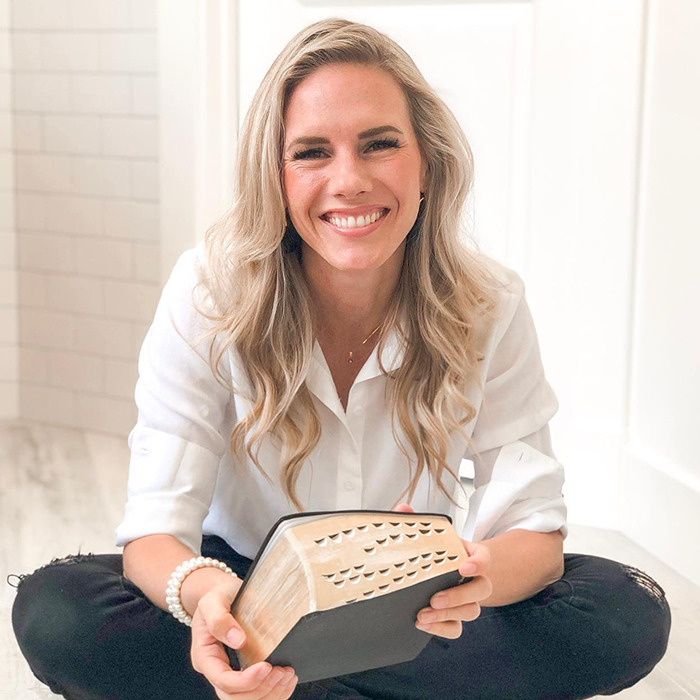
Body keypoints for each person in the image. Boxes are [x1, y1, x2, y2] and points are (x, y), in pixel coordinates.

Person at [11, 18, 670, 700]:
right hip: (248, 589)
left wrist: (476, 573)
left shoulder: (488, 303)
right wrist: (214, 605)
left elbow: (535, 528)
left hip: (415, 603)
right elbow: (154, 533)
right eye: (312, 152)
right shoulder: (209, 290)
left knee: (624, 609)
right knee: (57, 608)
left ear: (426, 164)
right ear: (277, 176)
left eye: (380, 145)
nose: (349, 180)